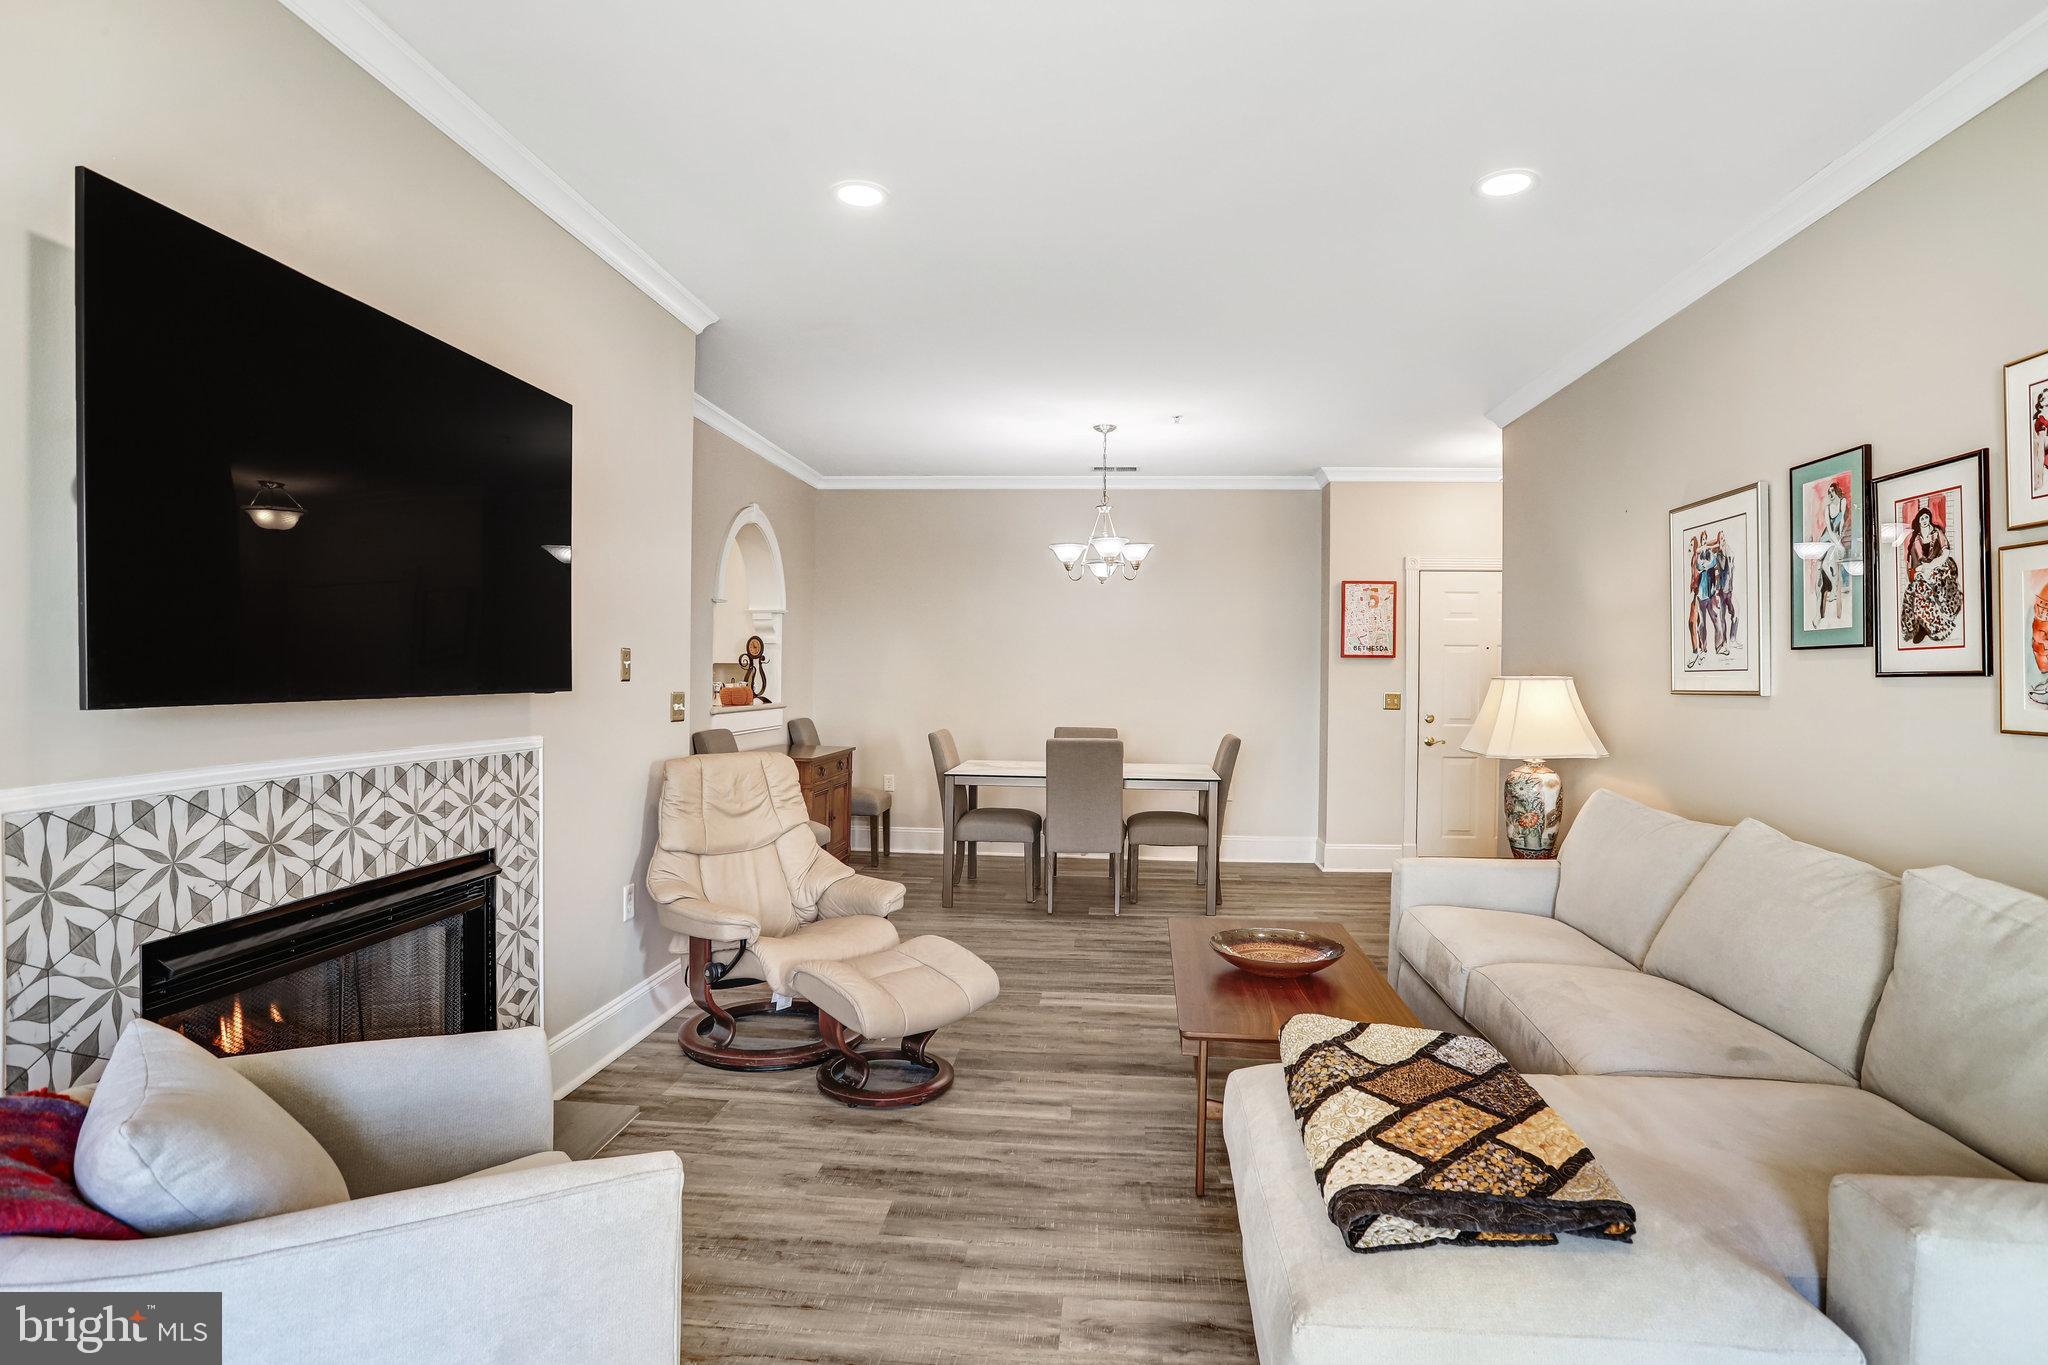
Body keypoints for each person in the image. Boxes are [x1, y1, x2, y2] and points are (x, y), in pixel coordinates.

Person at [1899, 505, 1961, 645]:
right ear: (1919, 521)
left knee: (1935, 581)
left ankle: (1934, 626)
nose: (1924, 520)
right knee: (1915, 588)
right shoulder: (1916, 539)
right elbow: (1917, 561)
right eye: (1922, 518)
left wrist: (1933, 565)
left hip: (1941, 565)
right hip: (1924, 569)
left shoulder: (1937, 532)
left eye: (1926, 517)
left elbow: (1945, 552)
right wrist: (1922, 570)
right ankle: (1921, 624)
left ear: (1929, 519)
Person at [1815, 481, 1848, 624]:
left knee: (1826, 565)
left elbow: (1842, 521)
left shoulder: (1842, 502)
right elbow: (1828, 528)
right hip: (1827, 537)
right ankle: (1833, 588)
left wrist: (1839, 537)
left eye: (1832, 491)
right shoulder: (1827, 508)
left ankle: (1834, 589)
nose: (1830, 494)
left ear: (1836, 491)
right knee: (1821, 566)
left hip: (1836, 536)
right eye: (1828, 492)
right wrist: (1837, 542)